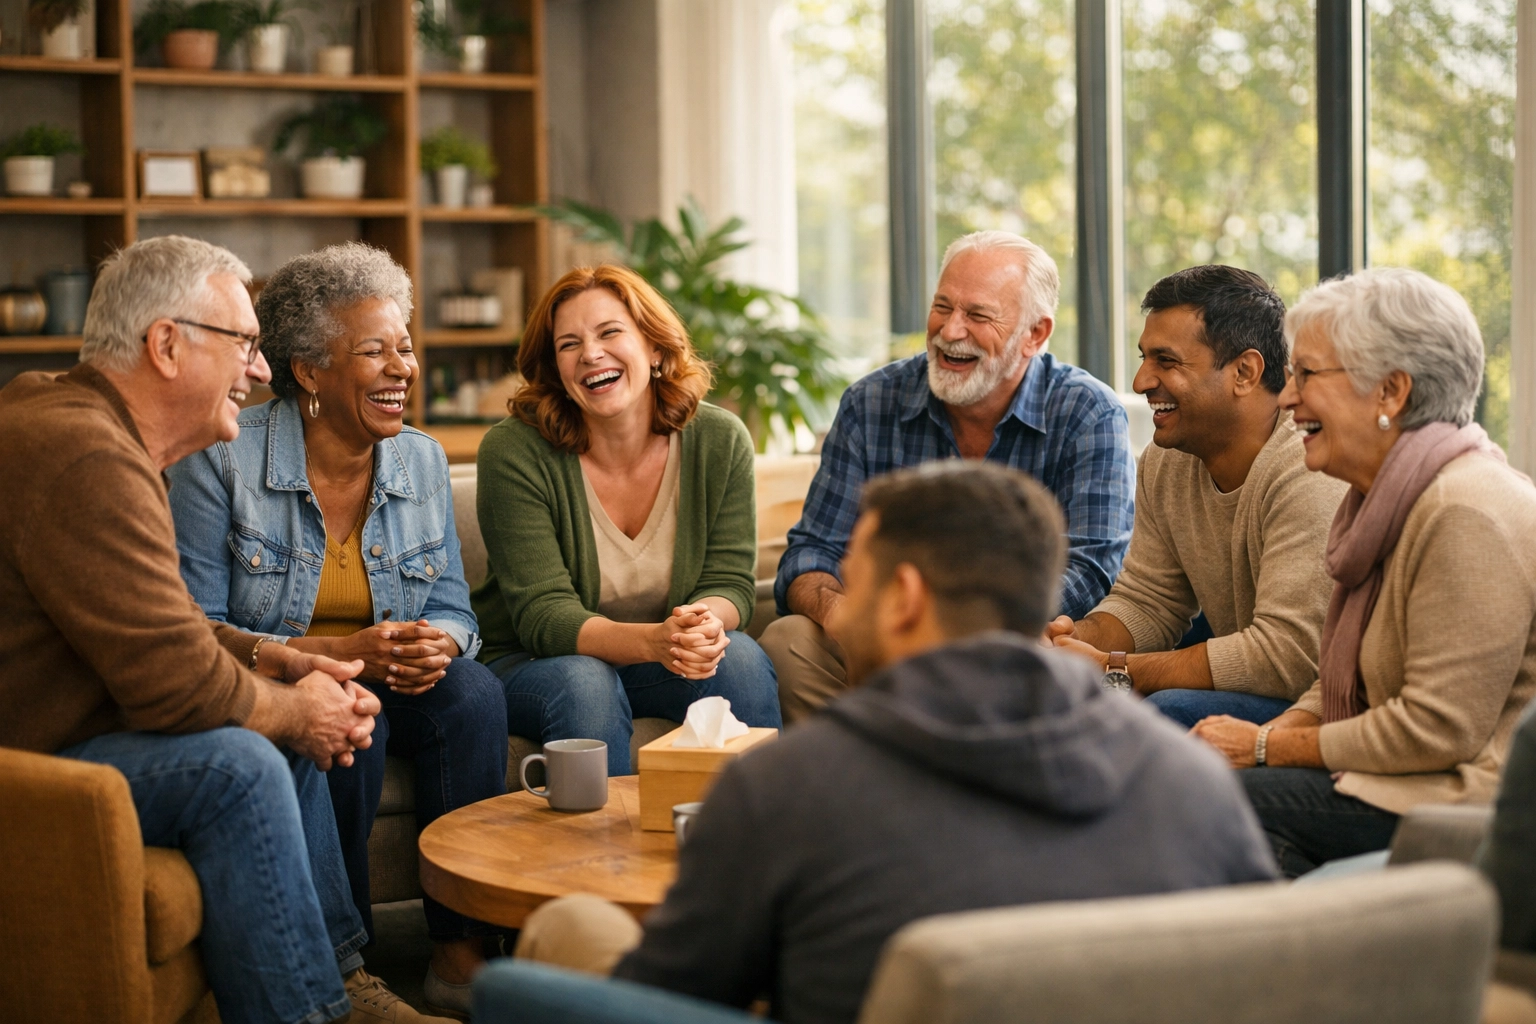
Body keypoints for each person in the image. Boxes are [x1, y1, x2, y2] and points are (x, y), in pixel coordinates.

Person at [485, 461, 1277, 1024]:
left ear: (902, 598)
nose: (840, 600)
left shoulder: (785, 789)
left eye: (851, 577)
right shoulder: (1195, 782)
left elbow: (676, 993)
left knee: (569, 930)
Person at [0, 236, 449, 1024]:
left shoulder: (73, 419)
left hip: (62, 737)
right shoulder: (88, 457)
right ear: (166, 345)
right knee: (241, 759)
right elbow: (173, 684)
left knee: (280, 706)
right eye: (243, 343)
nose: (264, 369)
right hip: (33, 768)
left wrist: (275, 658)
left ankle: (337, 977)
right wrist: (298, 707)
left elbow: (166, 631)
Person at [167, 242, 507, 1016]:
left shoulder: (421, 462)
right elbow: (195, 625)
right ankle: (350, 967)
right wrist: (329, 655)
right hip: (281, 671)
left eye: (406, 347)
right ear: (310, 370)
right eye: (374, 351)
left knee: (475, 694)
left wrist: (441, 642)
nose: (402, 368)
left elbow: (454, 605)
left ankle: (461, 949)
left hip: (384, 666)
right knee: (347, 712)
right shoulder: (220, 459)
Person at [1191, 267, 1536, 877]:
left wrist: (1264, 747)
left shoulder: (1464, 511)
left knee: (1211, 804)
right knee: (1201, 786)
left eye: (1307, 375)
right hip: (1403, 777)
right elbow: (1339, 684)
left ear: (1390, 393)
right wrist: (1264, 738)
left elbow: (1436, 730)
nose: (1288, 396)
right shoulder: (1382, 503)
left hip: (1459, 799)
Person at [763, 230, 1135, 723]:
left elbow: (1090, 567)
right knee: (788, 641)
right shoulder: (870, 402)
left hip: (1014, 635)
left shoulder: (1090, 412)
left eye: (978, 315)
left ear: (1035, 335)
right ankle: (858, 780)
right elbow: (813, 550)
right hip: (887, 632)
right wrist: (841, 613)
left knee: (1058, 652)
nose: (950, 331)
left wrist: (959, 631)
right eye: (943, 307)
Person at [474, 264, 781, 776]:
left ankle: (759, 848)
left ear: (655, 349)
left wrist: (699, 625)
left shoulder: (719, 440)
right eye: (568, 344)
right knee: (587, 682)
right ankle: (600, 856)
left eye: (610, 332)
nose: (591, 353)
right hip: (533, 662)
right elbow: (544, 616)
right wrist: (655, 641)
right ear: (555, 368)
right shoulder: (513, 451)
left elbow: (729, 583)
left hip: (658, 660)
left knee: (742, 659)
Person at [1047, 266, 1346, 726]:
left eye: (1165, 362)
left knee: (1167, 711)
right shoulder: (1165, 462)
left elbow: (1287, 657)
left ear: (1244, 372)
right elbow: (1149, 600)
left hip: (1325, 710)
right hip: (1266, 681)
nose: (1141, 381)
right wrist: (1068, 644)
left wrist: (1115, 671)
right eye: (1145, 358)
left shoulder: (1310, 467)